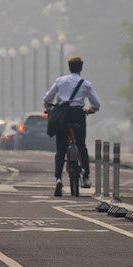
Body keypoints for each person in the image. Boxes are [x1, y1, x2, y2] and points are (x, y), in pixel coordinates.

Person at [42, 56, 99, 196]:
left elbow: (47, 98)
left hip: (63, 114)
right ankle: (86, 176)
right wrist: (90, 110)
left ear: (69, 67)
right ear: (81, 68)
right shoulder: (86, 84)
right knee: (81, 145)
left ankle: (58, 179)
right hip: (78, 114)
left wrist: (49, 107)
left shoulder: (60, 81)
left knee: (60, 148)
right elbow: (96, 104)